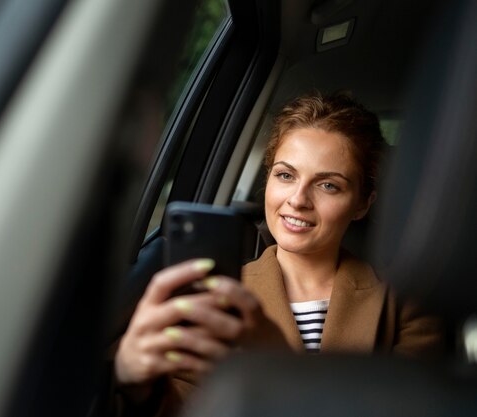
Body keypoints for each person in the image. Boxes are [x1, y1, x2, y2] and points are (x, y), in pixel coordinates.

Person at [111, 93, 445, 416]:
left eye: (328, 185)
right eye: (285, 175)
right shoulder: (213, 294)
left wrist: (278, 362)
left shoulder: (406, 304)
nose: (298, 199)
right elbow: (186, 405)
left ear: (362, 203)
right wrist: (140, 388)